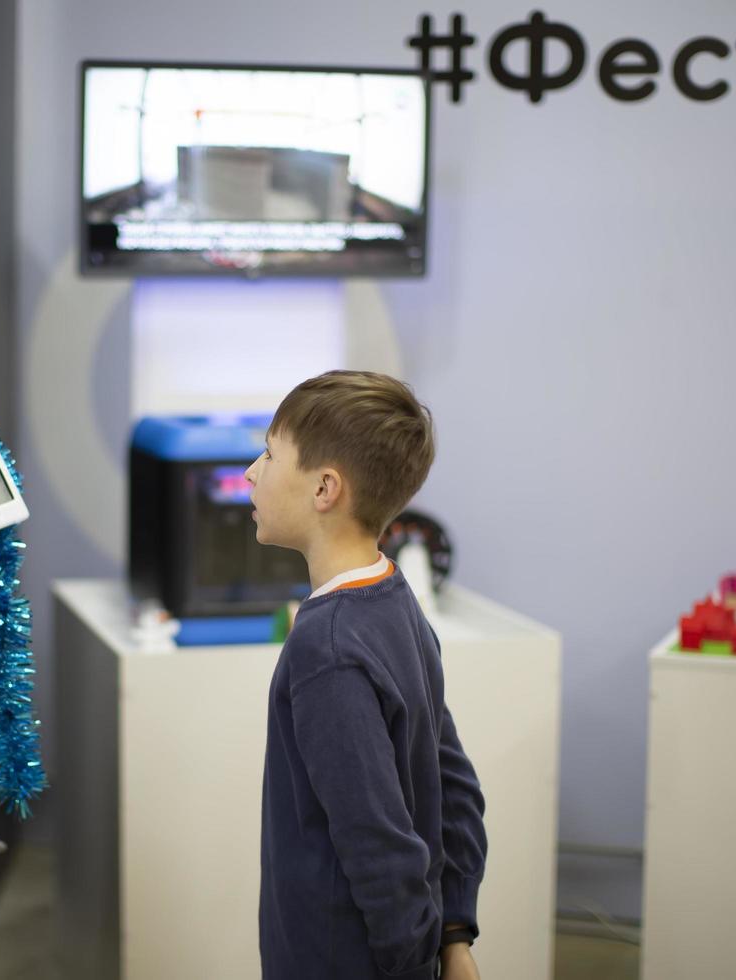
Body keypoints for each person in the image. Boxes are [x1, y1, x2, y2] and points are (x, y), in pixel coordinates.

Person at [246, 370, 487, 980]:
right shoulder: (398, 601)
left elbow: (379, 846)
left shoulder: (324, 648)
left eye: (270, 454)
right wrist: (454, 933)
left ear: (325, 487)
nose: (252, 472)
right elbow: (455, 785)